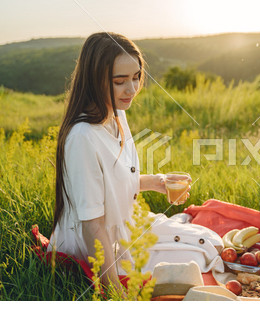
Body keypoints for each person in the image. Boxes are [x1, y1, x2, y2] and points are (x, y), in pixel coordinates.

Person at [48, 32, 191, 292]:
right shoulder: (82, 138)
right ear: (94, 80)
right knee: (196, 263)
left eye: (136, 77)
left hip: (125, 227)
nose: (132, 89)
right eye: (119, 81)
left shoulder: (117, 113)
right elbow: (92, 225)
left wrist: (159, 182)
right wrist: (115, 292)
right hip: (101, 246)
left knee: (207, 242)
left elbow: (116, 184)